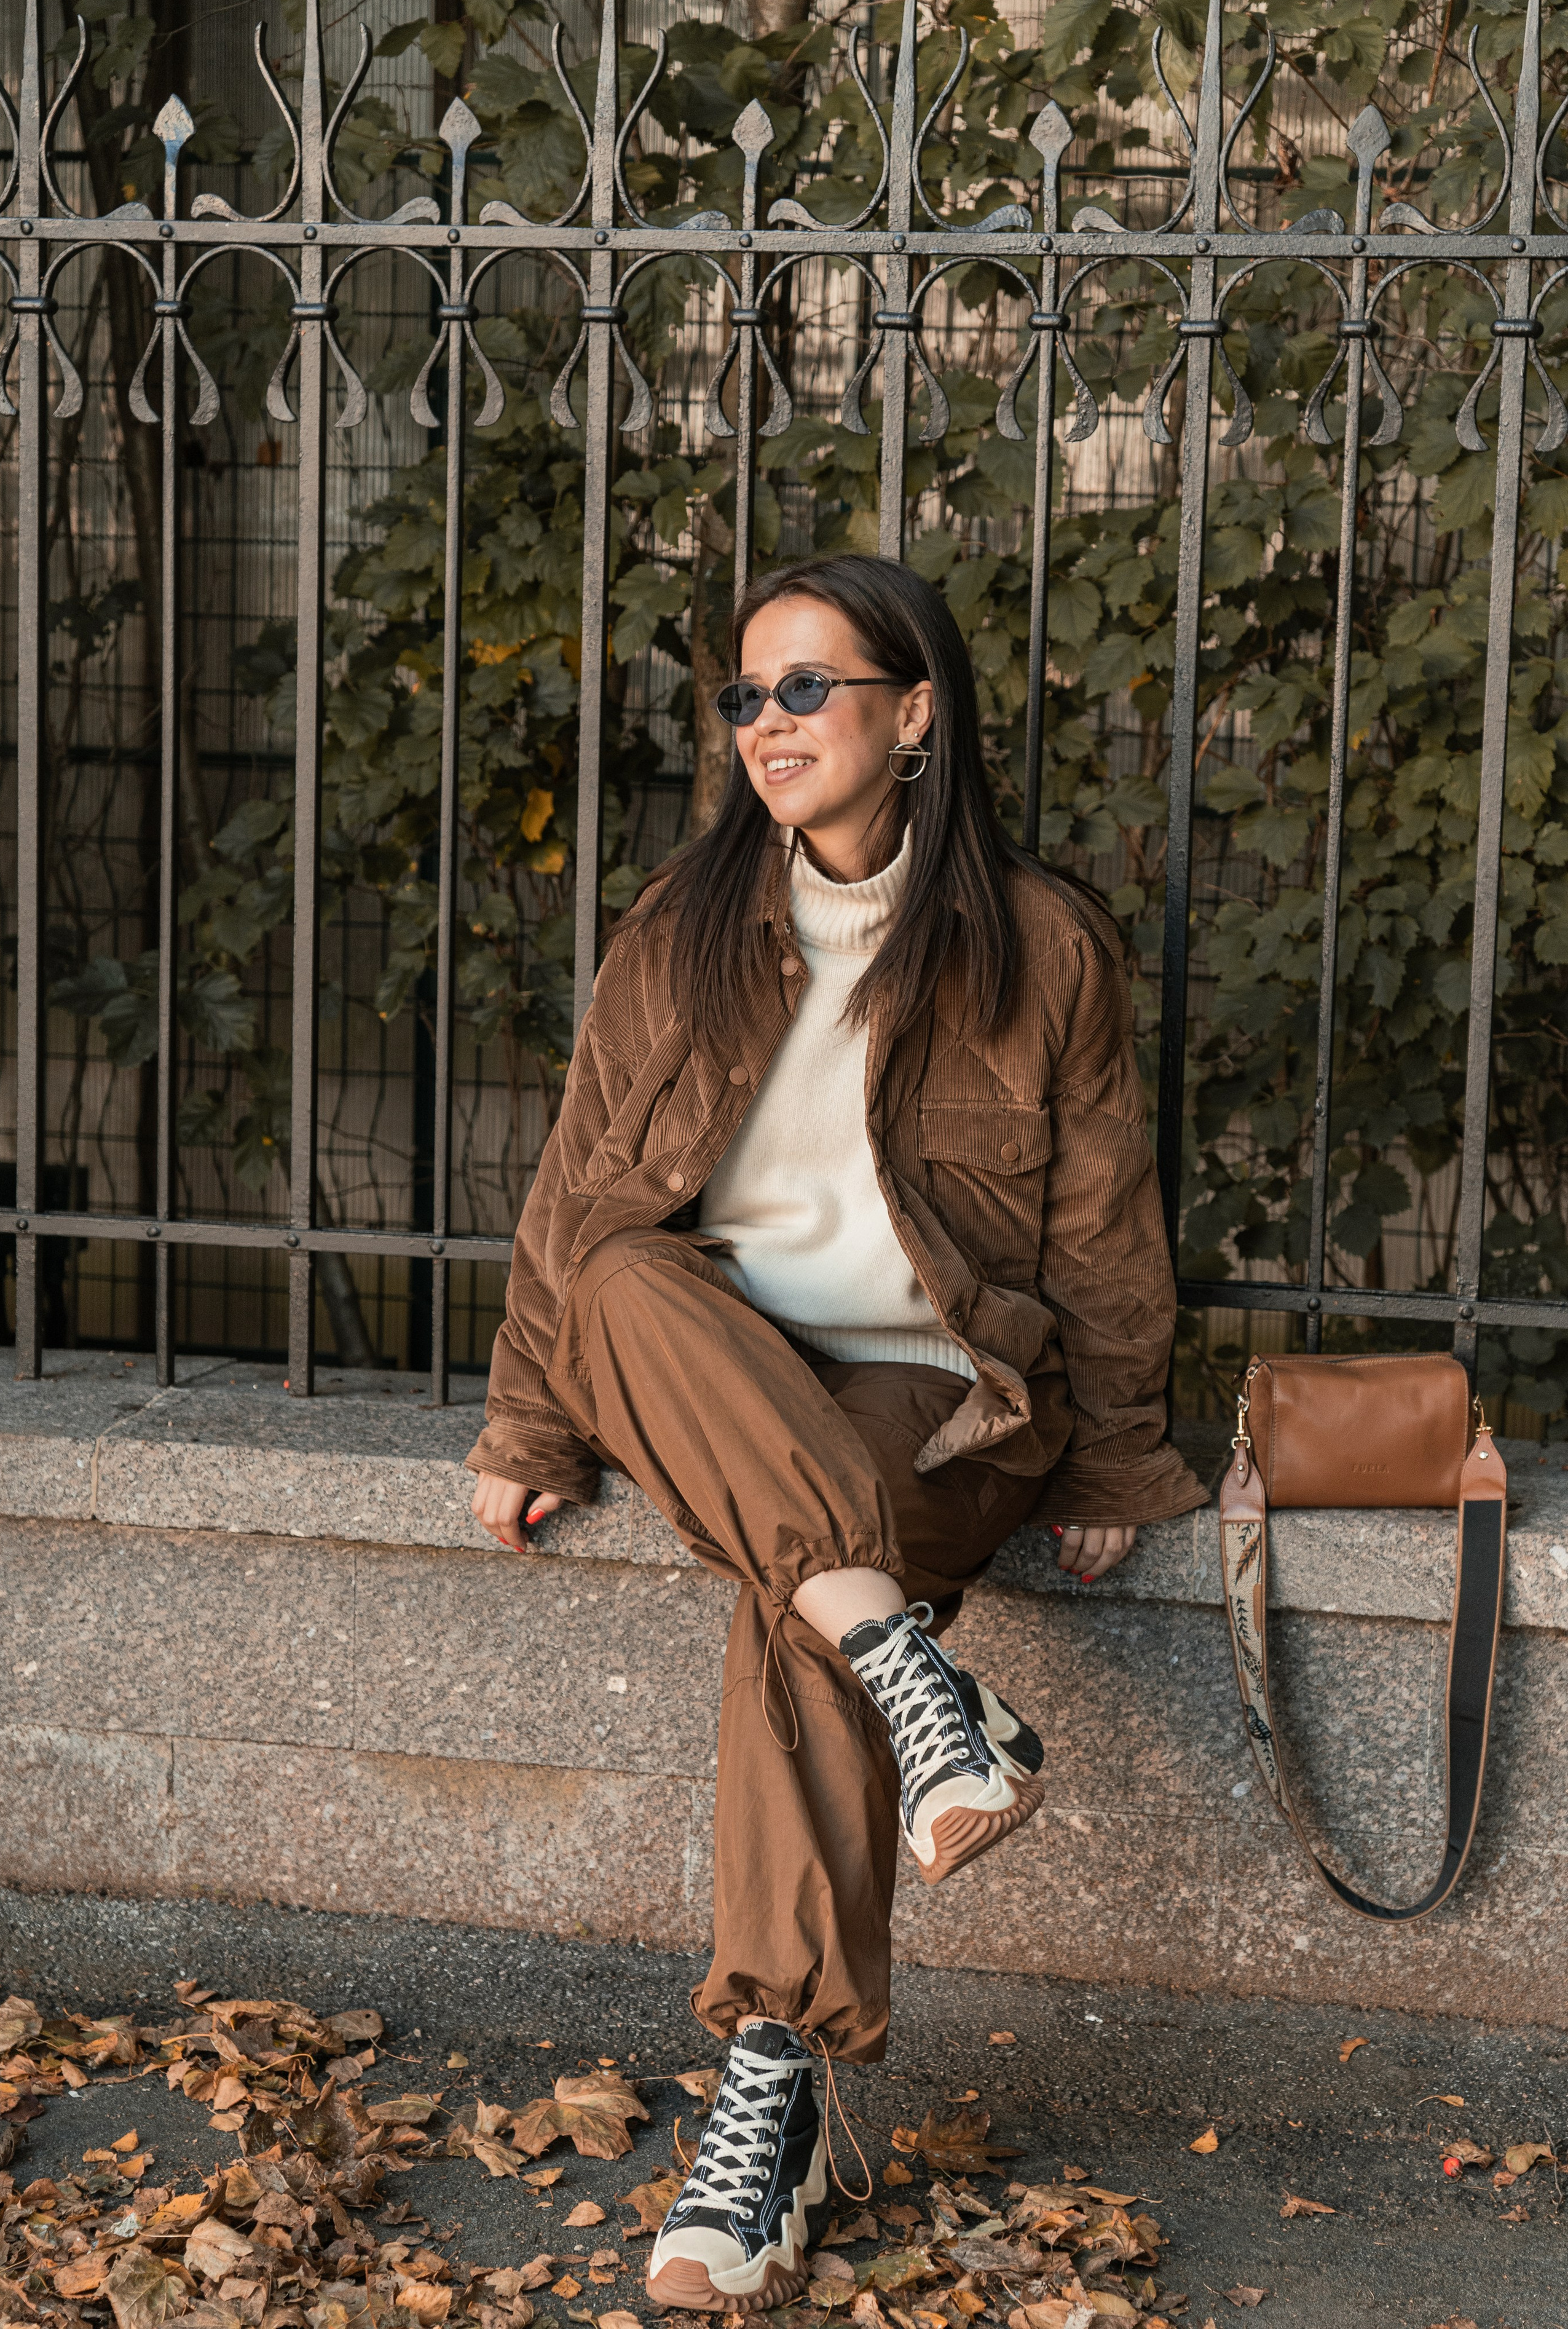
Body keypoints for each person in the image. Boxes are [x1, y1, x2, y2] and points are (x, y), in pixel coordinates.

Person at [467, 553, 1206, 2312]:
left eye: (808, 688)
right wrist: (529, 1430)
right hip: (727, 1369)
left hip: (944, 1394)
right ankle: (913, 1676)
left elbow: (1105, 1223)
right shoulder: (682, 929)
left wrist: (1109, 1462)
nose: (768, 725)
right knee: (623, 1276)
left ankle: (773, 2084)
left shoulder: (1039, 945)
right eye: (745, 697)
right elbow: (579, 1194)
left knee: (793, 1591)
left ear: (916, 712)